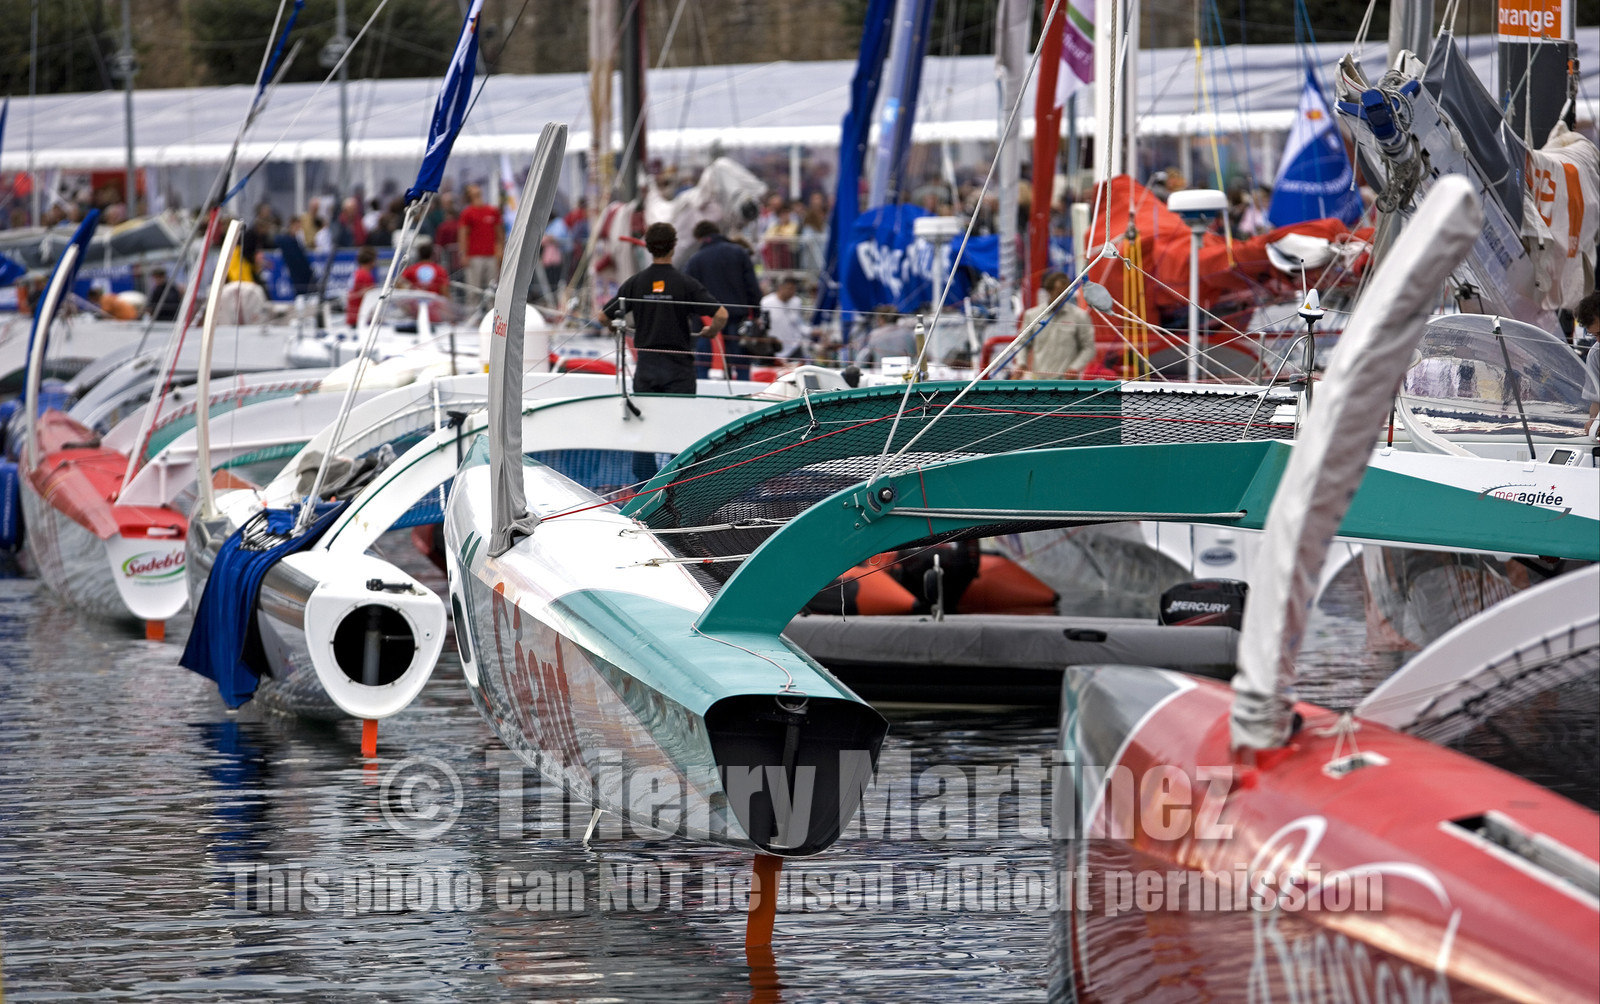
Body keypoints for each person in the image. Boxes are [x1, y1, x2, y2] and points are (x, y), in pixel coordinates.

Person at [603, 222, 727, 395]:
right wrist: (711, 331)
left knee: (648, 419)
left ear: (648, 247)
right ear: (673, 246)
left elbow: (603, 316)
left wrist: (615, 328)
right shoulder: (686, 283)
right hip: (679, 366)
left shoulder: (635, 283)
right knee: (680, 417)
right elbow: (721, 315)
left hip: (647, 365)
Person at [684, 220, 761, 379]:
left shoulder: (695, 260)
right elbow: (752, 287)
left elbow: (688, 292)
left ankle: (703, 394)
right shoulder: (739, 253)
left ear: (699, 238)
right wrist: (756, 313)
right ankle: (743, 394)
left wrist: (693, 317)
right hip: (736, 316)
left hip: (706, 321)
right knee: (740, 362)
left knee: (704, 363)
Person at [1024, 270, 1097, 378]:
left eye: (1065, 293)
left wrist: (1075, 368)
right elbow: (1022, 344)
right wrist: (1021, 364)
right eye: (1059, 293)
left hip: (1068, 384)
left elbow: (1089, 347)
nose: (1062, 297)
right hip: (1039, 382)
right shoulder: (1032, 315)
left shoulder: (1080, 316)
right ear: (1049, 291)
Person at [458, 184, 502, 297]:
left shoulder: (492, 211)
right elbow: (463, 234)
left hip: (491, 255)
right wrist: (463, 254)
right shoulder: (467, 213)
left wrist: (500, 250)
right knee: (473, 290)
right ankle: (473, 312)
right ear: (469, 194)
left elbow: (499, 233)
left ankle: (492, 313)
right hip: (474, 256)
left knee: (492, 289)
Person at [760, 275, 809, 360]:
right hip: (774, 349)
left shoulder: (797, 302)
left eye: (794, 289)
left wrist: (811, 331)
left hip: (794, 348)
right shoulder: (766, 302)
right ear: (780, 287)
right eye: (789, 288)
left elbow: (800, 325)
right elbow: (763, 325)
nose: (792, 292)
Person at [1576, 292, 1600, 432]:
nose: (1598, 340)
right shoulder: (1596, 355)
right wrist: (1594, 422)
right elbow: (1596, 401)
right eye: (1594, 335)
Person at [346, 245, 379, 328]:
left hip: (352, 316)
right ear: (372, 261)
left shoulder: (356, 273)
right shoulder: (365, 276)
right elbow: (370, 298)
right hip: (361, 318)